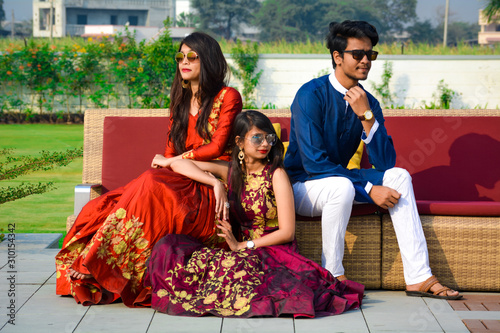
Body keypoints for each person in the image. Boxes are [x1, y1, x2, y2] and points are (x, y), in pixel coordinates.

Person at [55, 32, 243, 307]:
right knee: (112, 201)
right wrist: (172, 162)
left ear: (209, 60)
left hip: (211, 184)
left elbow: (215, 148)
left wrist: (174, 162)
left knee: (150, 180)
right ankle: (101, 269)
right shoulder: (179, 101)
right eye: (180, 56)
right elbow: (168, 155)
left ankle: (93, 267)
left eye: (192, 56)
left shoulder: (228, 96)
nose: (184, 61)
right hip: (181, 179)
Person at [284, 20, 462, 300]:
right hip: (300, 188)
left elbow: (385, 163)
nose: (366, 60)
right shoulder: (310, 95)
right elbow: (314, 164)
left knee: (400, 176)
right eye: (358, 54)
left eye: (371, 54)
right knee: (340, 187)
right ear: (337, 57)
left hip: (339, 185)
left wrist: (366, 116)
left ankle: (418, 277)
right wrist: (367, 189)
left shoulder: (369, 103)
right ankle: (332, 275)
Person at [144, 111, 364, 318]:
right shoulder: (231, 171)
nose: (266, 144)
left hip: (275, 253)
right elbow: (183, 164)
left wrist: (244, 246)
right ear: (239, 142)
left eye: (269, 138)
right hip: (241, 251)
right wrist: (213, 182)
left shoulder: (276, 174)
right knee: (169, 248)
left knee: (243, 282)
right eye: (257, 138)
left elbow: (287, 232)